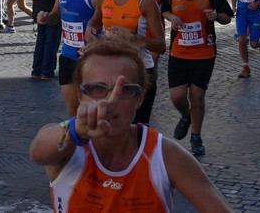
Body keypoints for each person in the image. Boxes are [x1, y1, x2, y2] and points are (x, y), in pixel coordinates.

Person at [29, 29, 232, 213]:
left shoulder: (165, 156)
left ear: (140, 97)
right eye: (97, 89)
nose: (110, 101)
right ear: (80, 95)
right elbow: (38, 151)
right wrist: (74, 130)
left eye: (125, 90)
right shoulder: (68, 146)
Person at [161, 0, 233, 156]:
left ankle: (196, 136)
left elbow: (228, 17)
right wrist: (170, 17)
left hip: (204, 53)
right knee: (177, 97)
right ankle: (185, 116)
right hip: (178, 51)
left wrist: (216, 16)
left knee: (197, 95)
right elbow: (163, 9)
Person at [86, 0, 166, 125]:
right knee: (111, 124)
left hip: (140, 71)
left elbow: (161, 45)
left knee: (137, 128)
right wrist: (90, 29)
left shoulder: (145, 1)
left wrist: (135, 39)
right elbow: (95, 22)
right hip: (112, 71)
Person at [36, 0, 108, 116]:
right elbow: (56, 15)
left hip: (90, 59)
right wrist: (45, 18)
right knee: (72, 109)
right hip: (68, 56)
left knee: (93, 109)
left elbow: (109, 26)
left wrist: (97, 40)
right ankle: (78, 142)